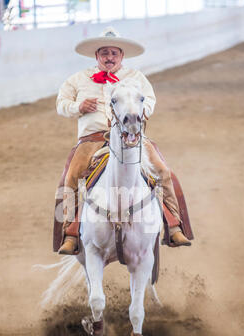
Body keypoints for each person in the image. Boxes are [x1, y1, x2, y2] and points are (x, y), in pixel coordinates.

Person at [54, 27, 193, 255]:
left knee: (164, 172)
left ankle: (174, 225)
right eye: (105, 53)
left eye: (114, 53)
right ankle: (70, 232)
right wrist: (77, 106)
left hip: (132, 137)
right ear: (96, 56)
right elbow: (61, 103)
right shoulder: (78, 80)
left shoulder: (136, 79)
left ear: (121, 56)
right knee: (70, 178)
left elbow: (149, 101)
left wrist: (140, 111)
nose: (109, 57)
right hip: (93, 139)